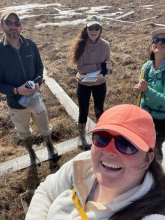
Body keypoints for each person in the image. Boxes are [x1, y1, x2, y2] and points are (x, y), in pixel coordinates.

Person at [25, 104, 165, 220]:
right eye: (102, 138)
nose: (109, 151)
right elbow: (46, 191)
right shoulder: (83, 164)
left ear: (148, 159)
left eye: (126, 144)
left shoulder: (152, 215)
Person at [0, 9, 58, 166]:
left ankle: (50, 146)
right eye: (9, 23)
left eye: (16, 23)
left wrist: (38, 81)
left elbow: (39, 68)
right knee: (23, 131)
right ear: (2, 26)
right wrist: (17, 91)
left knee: (44, 126)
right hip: (16, 104)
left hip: (36, 99)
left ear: (21, 27)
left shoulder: (31, 45)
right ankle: (31, 154)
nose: (13, 26)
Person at [70, 15, 111, 150]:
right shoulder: (80, 45)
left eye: (96, 27)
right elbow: (81, 68)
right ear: (86, 29)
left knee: (99, 109)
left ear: (100, 29)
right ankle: (82, 135)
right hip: (84, 84)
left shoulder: (105, 45)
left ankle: (100, 132)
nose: (93, 30)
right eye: (90, 27)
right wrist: (100, 65)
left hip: (100, 83)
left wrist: (103, 72)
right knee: (83, 111)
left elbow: (107, 66)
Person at [134, 28, 165, 162]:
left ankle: (158, 178)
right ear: (152, 46)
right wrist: (138, 92)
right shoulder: (146, 67)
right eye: (156, 40)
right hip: (145, 117)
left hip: (162, 120)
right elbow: (141, 95)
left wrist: (147, 90)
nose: (160, 42)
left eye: (164, 40)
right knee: (143, 146)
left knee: (156, 148)